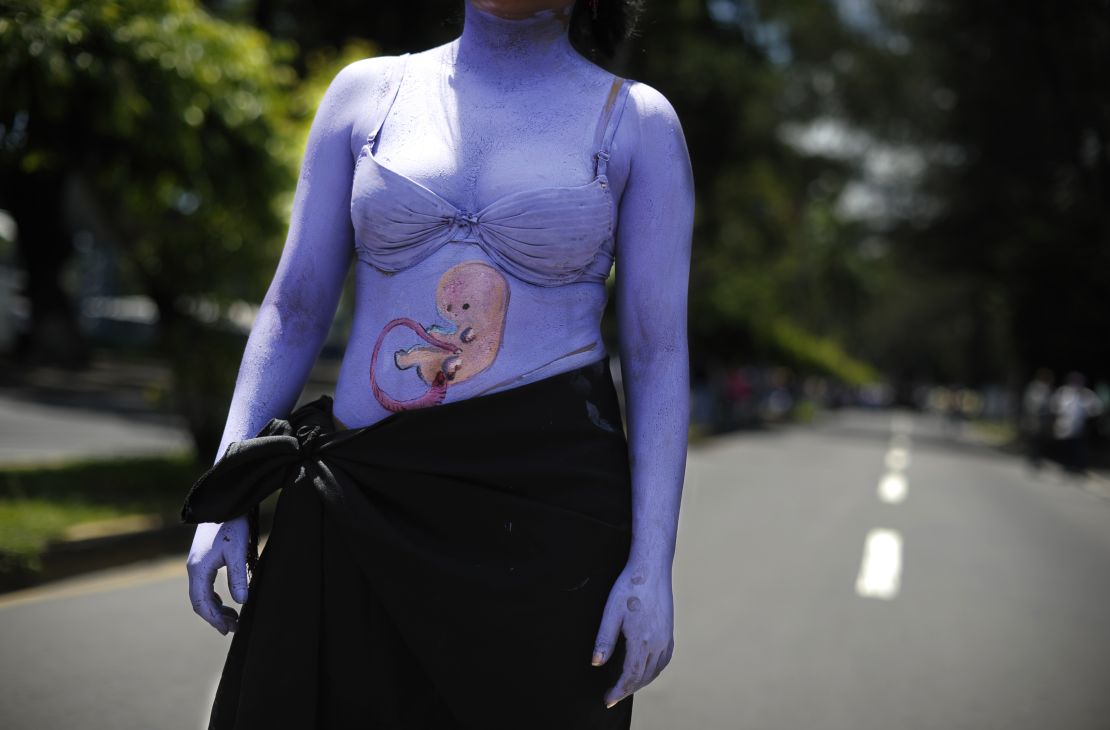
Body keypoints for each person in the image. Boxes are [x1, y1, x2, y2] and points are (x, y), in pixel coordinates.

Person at [181, 1, 695, 728]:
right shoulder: (366, 94)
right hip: (354, 498)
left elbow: (658, 354)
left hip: (545, 526)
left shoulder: (636, 121)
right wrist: (228, 489)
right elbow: (294, 307)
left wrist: (652, 566)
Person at [1049, 371, 1104, 476]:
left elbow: (1097, 408)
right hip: (1063, 426)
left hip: (1079, 427)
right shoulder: (1063, 392)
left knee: (1078, 448)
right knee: (1065, 447)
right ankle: (1065, 466)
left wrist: (1088, 416)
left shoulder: (1086, 394)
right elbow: (1054, 406)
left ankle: (1077, 467)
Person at [1020, 367, 1054, 471]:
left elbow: (1050, 405)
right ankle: (1032, 459)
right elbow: (1030, 403)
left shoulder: (1048, 389)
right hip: (1033, 419)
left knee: (1040, 441)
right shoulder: (1034, 388)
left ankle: (1037, 459)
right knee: (1033, 440)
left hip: (1043, 420)